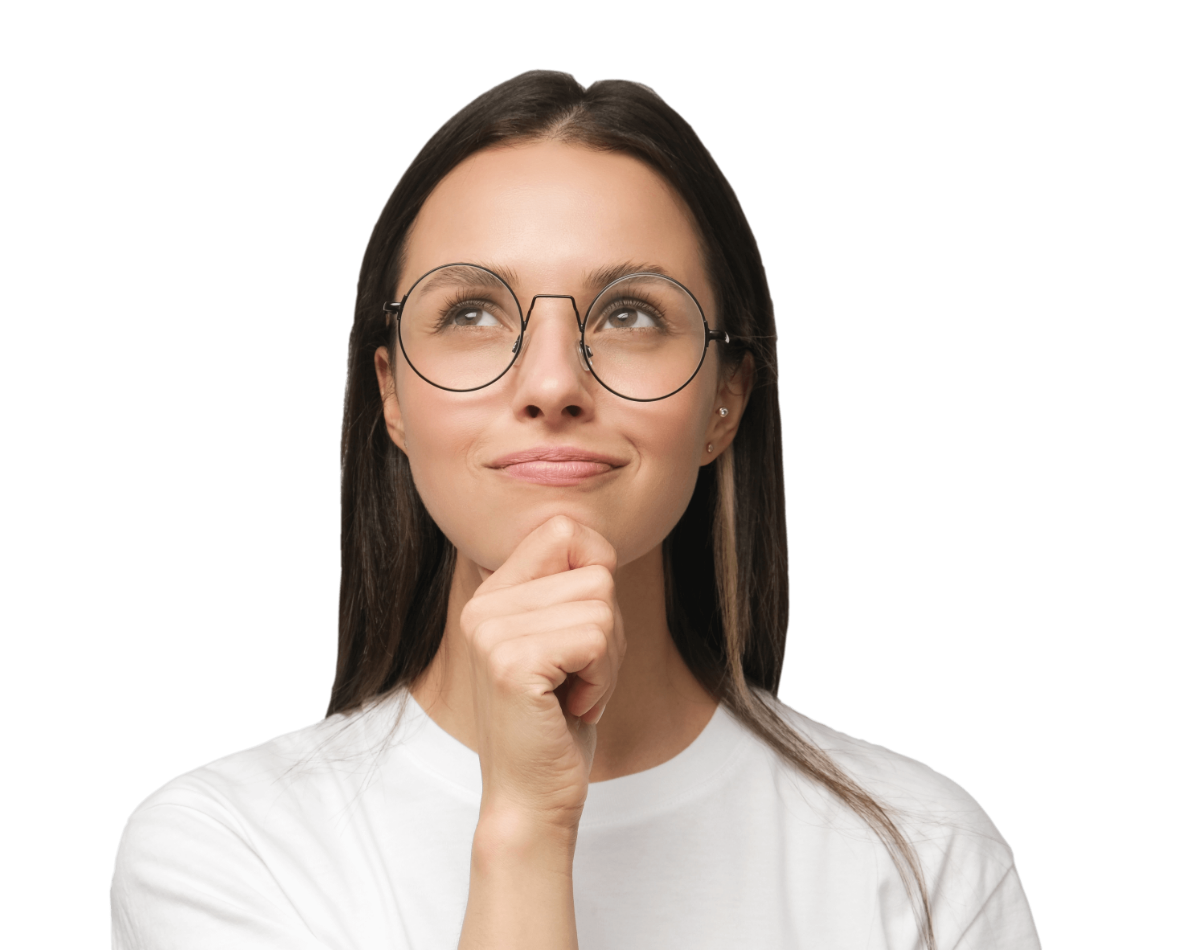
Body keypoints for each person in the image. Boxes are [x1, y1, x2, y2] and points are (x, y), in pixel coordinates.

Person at [109, 71, 1041, 949]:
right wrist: (523, 824)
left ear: (725, 400)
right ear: (390, 396)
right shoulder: (226, 846)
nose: (552, 383)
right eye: (473, 311)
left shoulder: (925, 858)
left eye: (630, 314)